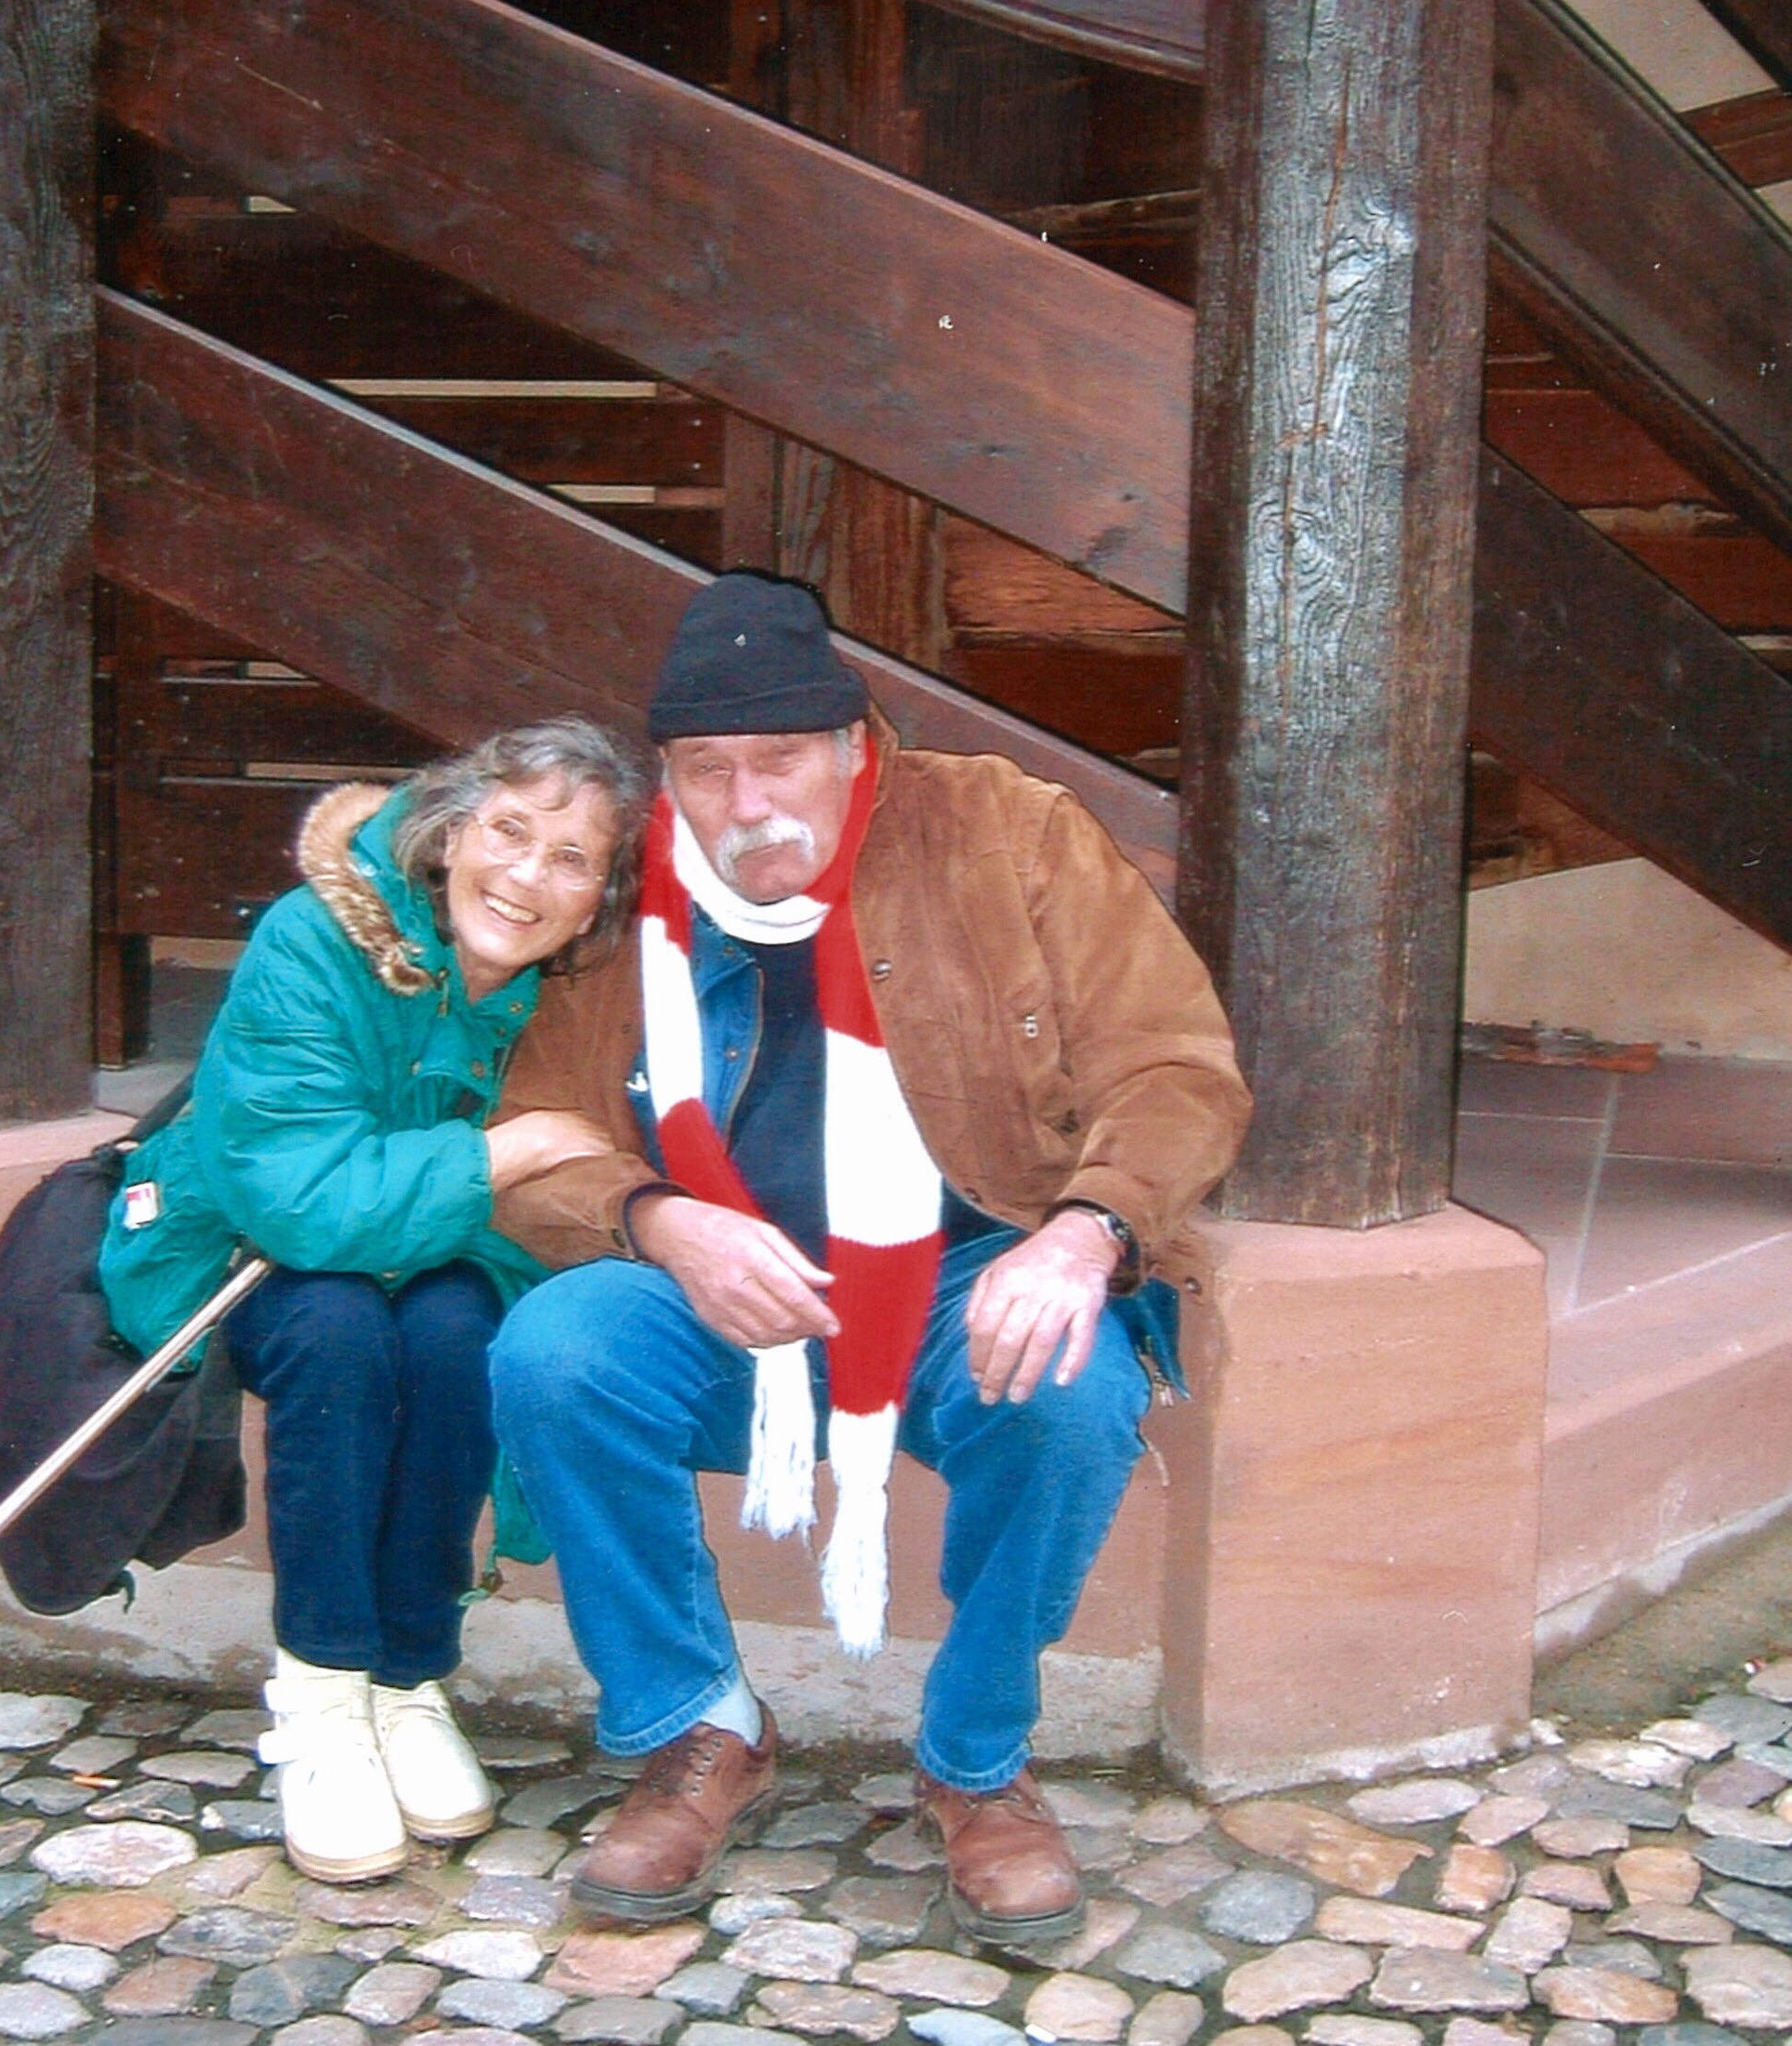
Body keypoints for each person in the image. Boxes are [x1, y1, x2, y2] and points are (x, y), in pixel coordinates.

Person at [487, 576, 1250, 1947]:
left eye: (778, 759)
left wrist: (1083, 1233)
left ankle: (974, 1762)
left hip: (968, 1271)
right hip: (726, 1296)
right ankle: (697, 1727)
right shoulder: (625, 882)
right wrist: (658, 1218)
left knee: (1072, 1390)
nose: (744, 801)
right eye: (706, 771)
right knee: (557, 1349)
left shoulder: (1005, 832)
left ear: (851, 746)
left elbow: (1173, 1067)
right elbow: (531, 1135)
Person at [99, 717, 652, 1884]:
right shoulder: (316, 938)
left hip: (441, 1254)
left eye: (571, 858)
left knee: (458, 1332)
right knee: (339, 1332)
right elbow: (297, 1198)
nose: (525, 875)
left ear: (600, 896)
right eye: (510, 830)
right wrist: (505, 1155)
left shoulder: (574, 993)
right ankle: (321, 1693)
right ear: (450, 832)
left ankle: (408, 1676)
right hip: (240, 1247)